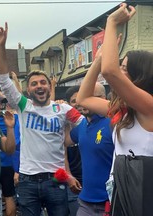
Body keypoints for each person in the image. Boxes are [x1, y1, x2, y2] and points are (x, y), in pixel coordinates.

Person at [0, 22, 84, 216]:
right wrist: (1, 46)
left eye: (43, 82)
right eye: (34, 83)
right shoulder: (24, 106)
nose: (39, 86)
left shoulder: (63, 108)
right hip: (27, 180)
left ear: (49, 87)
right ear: (29, 90)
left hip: (56, 180)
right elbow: (3, 79)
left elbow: (85, 124)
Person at [76, 4, 153, 215]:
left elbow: (109, 72)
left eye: (125, 68)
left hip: (143, 191)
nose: (120, 70)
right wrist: (98, 60)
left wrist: (111, 23)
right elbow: (84, 98)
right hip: (123, 189)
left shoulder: (149, 106)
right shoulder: (124, 111)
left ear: (140, 75)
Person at [65, 83, 114, 216]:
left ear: (103, 99)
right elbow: (63, 142)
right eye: (83, 97)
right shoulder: (82, 125)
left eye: (90, 97)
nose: (84, 102)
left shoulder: (114, 123)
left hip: (110, 202)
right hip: (85, 202)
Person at [64, 86, 83, 216]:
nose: (78, 103)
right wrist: (69, 175)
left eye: (80, 99)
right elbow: (62, 151)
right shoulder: (64, 124)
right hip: (72, 182)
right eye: (73, 101)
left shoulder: (91, 122)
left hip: (90, 181)